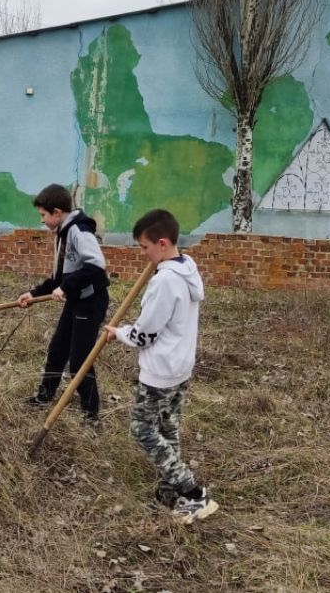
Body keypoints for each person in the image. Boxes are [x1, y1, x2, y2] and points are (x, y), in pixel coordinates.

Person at [105, 209, 218, 524]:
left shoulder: (166, 281)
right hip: (180, 366)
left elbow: (144, 334)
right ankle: (169, 494)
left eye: (145, 247)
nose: (143, 254)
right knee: (167, 427)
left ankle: (193, 493)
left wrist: (119, 333)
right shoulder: (187, 268)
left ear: (163, 243)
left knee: (142, 429)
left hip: (161, 370)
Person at [18, 184, 109, 423]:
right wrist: (33, 293)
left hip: (90, 301)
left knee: (80, 360)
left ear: (57, 212)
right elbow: (60, 278)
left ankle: (91, 415)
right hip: (77, 300)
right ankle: (44, 396)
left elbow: (97, 267)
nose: (42, 220)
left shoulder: (79, 231)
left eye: (43, 215)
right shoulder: (62, 233)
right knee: (58, 349)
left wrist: (66, 288)